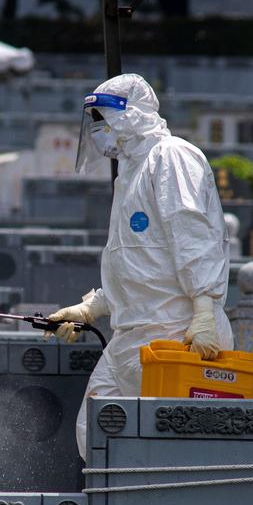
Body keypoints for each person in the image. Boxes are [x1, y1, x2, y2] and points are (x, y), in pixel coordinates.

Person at [46, 73, 233, 459]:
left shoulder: (172, 157)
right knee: (97, 440)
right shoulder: (131, 171)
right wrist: (94, 307)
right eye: (93, 119)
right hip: (131, 336)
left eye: (102, 118)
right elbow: (138, 259)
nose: (97, 129)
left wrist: (204, 310)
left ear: (131, 114)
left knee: (167, 454)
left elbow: (193, 237)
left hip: (177, 335)